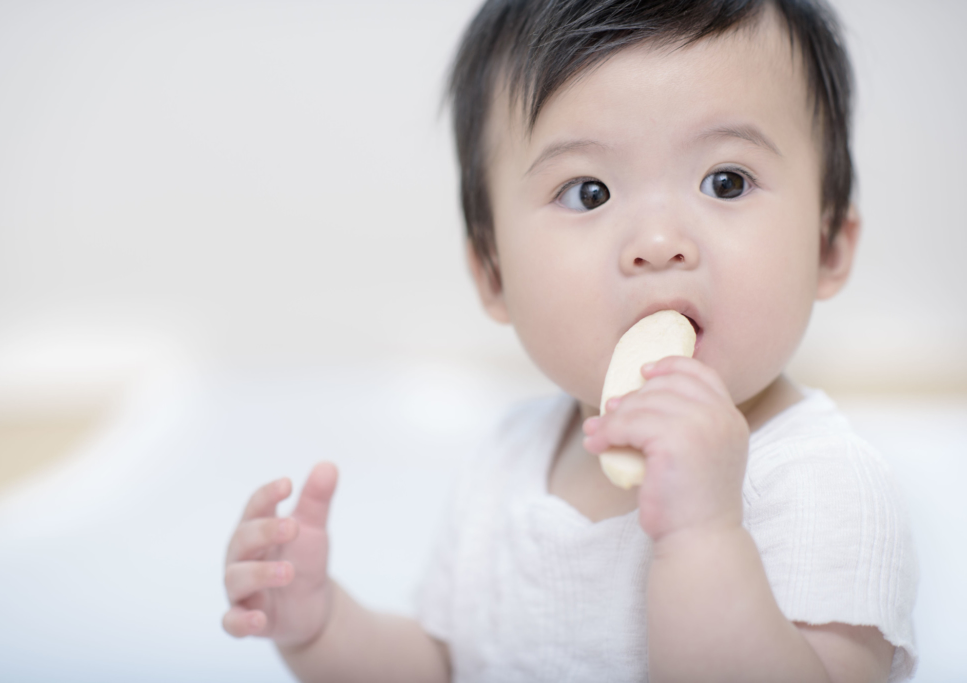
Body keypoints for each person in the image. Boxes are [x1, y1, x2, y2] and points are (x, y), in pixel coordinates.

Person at [221, 0, 918, 680]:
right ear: (493, 274)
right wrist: (321, 626)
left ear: (829, 245)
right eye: (588, 191)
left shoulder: (826, 485)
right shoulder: (509, 461)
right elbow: (446, 664)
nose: (657, 242)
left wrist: (704, 533)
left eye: (725, 181)